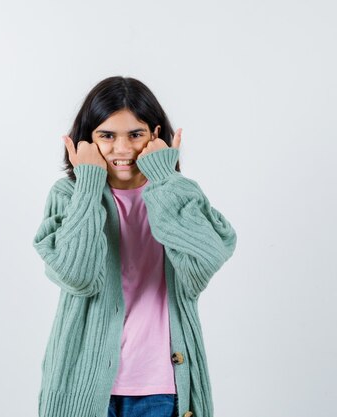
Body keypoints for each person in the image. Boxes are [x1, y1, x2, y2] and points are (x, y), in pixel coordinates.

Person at [32, 76, 237, 417]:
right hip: (82, 388)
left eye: (136, 135)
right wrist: (88, 186)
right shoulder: (68, 197)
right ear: (87, 140)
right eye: (107, 136)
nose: (123, 149)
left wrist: (164, 178)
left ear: (155, 135)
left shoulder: (178, 194)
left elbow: (205, 261)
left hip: (163, 389)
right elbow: (76, 276)